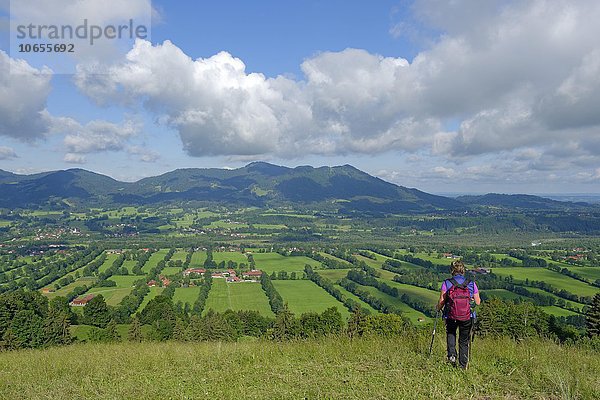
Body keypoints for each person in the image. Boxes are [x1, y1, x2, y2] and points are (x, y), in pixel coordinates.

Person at [436, 260, 480, 369]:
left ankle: (452, 355)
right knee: (464, 340)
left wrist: (438, 309)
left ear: (452, 270)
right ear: (463, 270)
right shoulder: (471, 283)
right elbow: (478, 302)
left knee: (451, 334)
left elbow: (442, 301)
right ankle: (462, 365)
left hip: (451, 315)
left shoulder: (447, 283)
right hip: (467, 316)